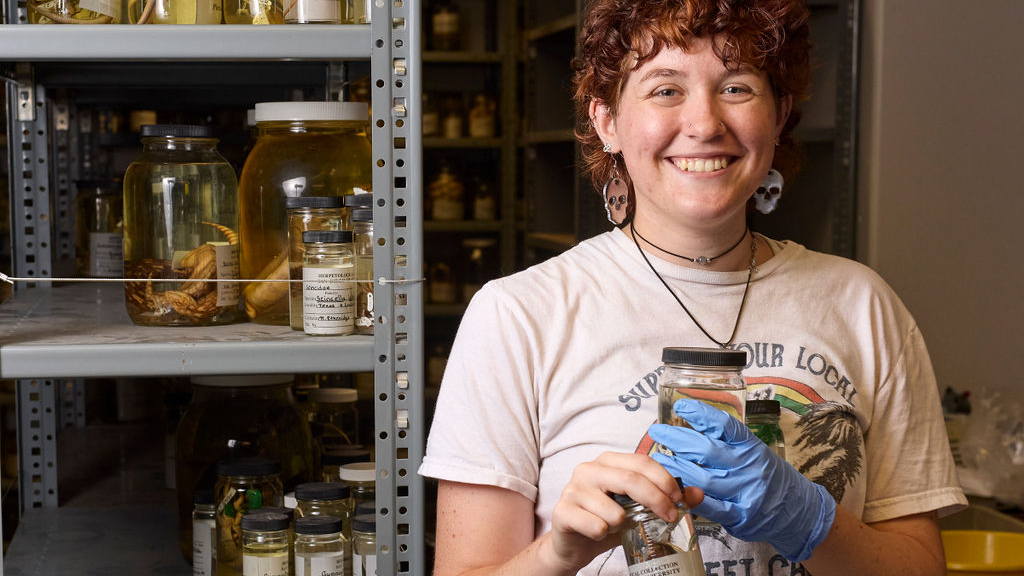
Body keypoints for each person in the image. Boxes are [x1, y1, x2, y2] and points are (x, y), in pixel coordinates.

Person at [418, 0, 967, 574]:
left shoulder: (864, 306)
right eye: (664, 90)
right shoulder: (518, 316)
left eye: (736, 88)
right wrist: (557, 552)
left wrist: (811, 520)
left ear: (779, 116)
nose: (705, 125)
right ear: (607, 121)